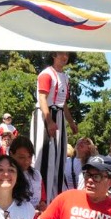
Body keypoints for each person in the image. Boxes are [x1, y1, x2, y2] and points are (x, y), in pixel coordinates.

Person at [30, 51, 79, 203]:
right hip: (46, 114)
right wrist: (49, 121)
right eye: (61, 54)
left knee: (59, 156)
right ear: (53, 55)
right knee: (44, 156)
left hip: (59, 115)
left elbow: (63, 103)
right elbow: (42, 98)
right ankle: (40, 197)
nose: (64, 57)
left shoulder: (65, 77)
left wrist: (70, 122)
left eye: (67, 55)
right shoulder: (46, 74)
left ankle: (55, 195)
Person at [9, 136, 46, 213]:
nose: (26, 161)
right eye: (21, 157)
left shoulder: (36, 174)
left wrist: (42, 204)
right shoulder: (6, 175)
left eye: (29, 157)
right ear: (11, 154)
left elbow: (42, 197)